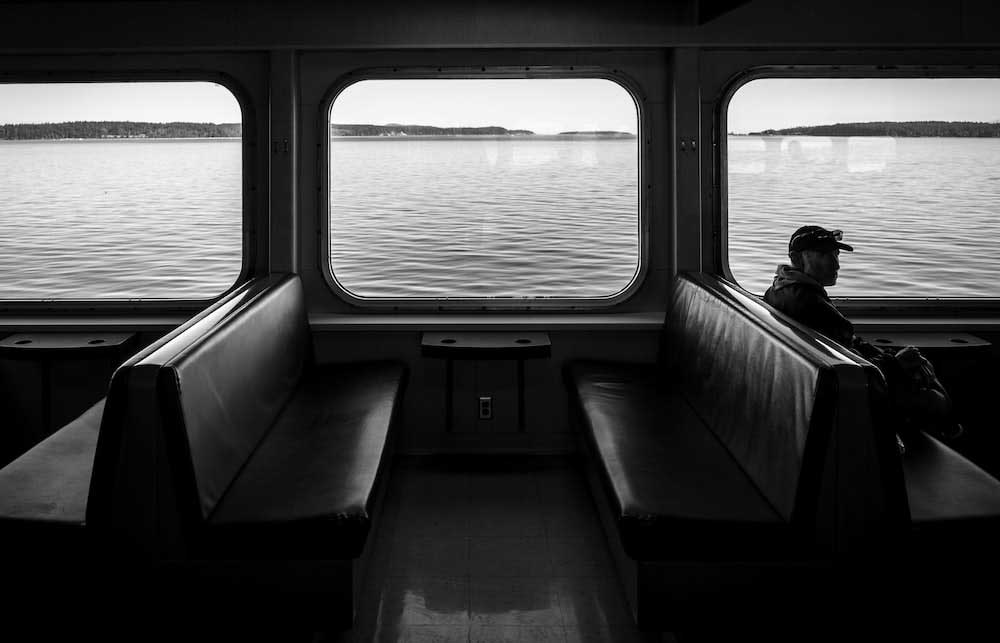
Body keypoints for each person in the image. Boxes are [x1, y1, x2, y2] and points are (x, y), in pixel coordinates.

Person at [763, 225, 961, 445]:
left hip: (814, 386)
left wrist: (889, 357)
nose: (836, 264)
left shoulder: (777, 291)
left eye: (836, 254)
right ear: (797, 259)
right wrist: (895, 363)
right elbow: (849, 373)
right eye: (824, 255)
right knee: (936, 396)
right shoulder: (813, 306)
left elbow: (845, 348)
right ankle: (951, 441)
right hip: (844, 397)